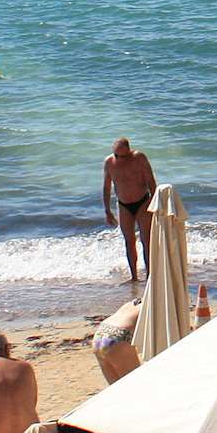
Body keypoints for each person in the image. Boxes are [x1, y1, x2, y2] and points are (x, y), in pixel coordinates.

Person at [102, 137, 157, 283]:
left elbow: (151, 180)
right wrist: (107, 210)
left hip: (143, 203)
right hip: (124, 205)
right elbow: (106, 188)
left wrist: (155, 202)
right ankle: (134, 277)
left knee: (146, 240)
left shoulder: (139, 158)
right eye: (117, 156)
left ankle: (150, 275)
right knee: (129, 241)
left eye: (124, 156)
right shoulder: (109, 162)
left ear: (129, 151)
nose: (121, 159)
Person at [91, 297, 142, 384]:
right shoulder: (153, 307)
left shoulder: (131, 304)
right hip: (119, 337)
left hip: (99, 335)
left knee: (117, 389)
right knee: (135, 386)